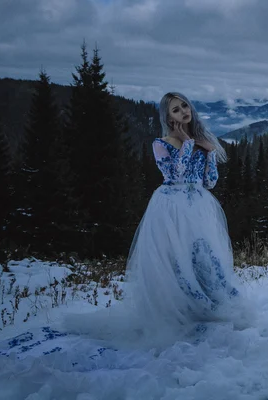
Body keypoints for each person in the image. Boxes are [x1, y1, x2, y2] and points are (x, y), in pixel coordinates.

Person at [64, 92, 251, 348]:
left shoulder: (202, 140)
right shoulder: (160, 143)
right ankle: (180, 308)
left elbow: (210, 182)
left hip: (198, 205)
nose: (183, 111)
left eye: (185, 105)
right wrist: (186, 144)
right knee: (176, 258)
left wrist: (208, 154)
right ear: (168, 117)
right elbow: (176, 174)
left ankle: (210, 304)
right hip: (171, 207)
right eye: (176, 110)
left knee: (204, 255)